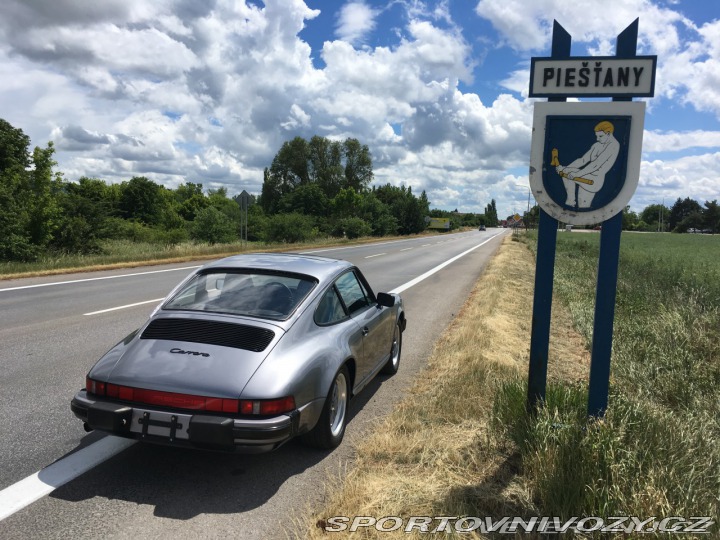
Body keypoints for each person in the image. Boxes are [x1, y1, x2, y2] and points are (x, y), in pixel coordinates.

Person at [554, 120, 620, 209]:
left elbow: (596, 164)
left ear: (608, 134)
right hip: (586, 176)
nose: (597, 139)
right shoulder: (597, 145)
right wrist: (564, 168)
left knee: (583, 208)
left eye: (600, 136)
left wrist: (577, 174)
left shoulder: (614, 145)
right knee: (567, 171)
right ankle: (570, 203)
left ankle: (570, 203)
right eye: (597, 136)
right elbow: (583, 160)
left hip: (594, 181)